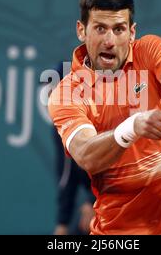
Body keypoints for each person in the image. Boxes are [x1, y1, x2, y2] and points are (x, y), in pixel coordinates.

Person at [48, 0, 161, 235]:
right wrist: (132, 127)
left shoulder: (149, 49)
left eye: (119, 29)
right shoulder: (66, 93)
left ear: (132, 33)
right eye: (100, 28)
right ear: (81, 30)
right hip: (117, 233)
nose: (110, 41)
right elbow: (86, 155)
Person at [52, 62, 95, 235]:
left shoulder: (100, 115)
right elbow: (68, 175)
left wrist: (94, 202)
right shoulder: (61, 121)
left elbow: (119, 167)